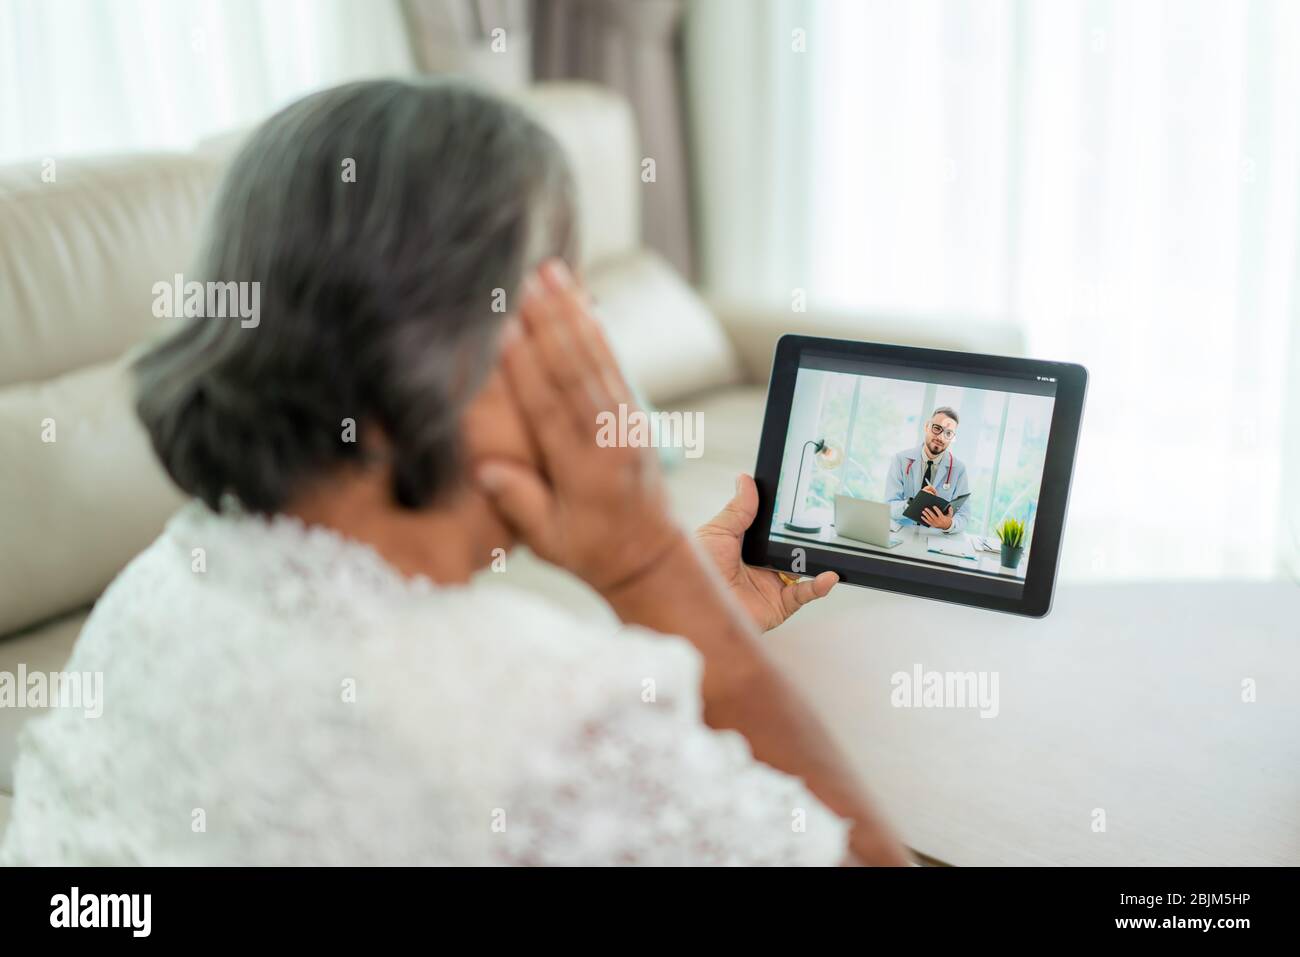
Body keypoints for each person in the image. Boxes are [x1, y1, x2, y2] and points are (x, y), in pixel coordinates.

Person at [0, 78, 908, 866]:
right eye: (568, 301)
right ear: (442, 350)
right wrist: (649, 569)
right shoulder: (532, 718)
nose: (596, 343)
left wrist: (689, 621)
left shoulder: (160, 583)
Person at [886, 406, 971, 535]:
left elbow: (964, 516)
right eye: (937, 428)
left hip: (935, 538)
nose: (941, 437)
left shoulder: (959, 469)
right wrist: (913, 503)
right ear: (927, 427)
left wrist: (948, 524)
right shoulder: (901, 460)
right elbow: (889, 506)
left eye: (948, 433)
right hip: (903, 534)